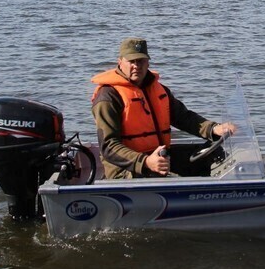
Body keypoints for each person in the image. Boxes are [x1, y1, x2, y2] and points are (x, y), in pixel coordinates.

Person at [91, 37, 237, 179]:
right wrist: (146, 162)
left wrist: (213, 129)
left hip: (159, 157)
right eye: (131, 61)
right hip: (125, 170)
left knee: (213, 154)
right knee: (174, 177)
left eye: (141, 61)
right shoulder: (108, 97)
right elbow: (109, 147)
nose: (136, 66)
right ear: (120, 62)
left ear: (148, 62)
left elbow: (183, 117)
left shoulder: (158, 89)